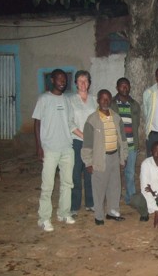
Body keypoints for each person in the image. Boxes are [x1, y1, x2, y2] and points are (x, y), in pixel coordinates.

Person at [32, 69, 75, 232]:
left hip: (66, 148)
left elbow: (70, 123)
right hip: (50, 149)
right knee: (47, 185)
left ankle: (63, 213)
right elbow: (37, 123)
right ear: (52, 80)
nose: (62, 82)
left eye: (64, 79)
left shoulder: (67, 100)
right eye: (59, 79)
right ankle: (43, 218)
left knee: (67, 183)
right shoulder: (44, 99)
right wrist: (39, 147)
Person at [81, 89, 128, 226]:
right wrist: (88, 162)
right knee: (99, 188)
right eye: (103, 98)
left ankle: (112, 213)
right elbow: (87, 144)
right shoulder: (92, 120)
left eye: (108, 99)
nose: (105, 101)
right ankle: (99, 216)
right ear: (98, 101)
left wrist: (123, 157)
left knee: (115, 187)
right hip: (100, 159)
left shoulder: (116, 118)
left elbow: (123, 140)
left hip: (114, 156)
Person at [69, 70, 97, 217]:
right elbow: (70, 122)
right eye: (80, 81)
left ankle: (90, 203)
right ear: (75, 84)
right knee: (75, 174)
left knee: (90, 173)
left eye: (85, 80)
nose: (83, 84)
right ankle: (74, 205)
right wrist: (83, 135)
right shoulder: (71, 101)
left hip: (92, 142)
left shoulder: (94, 100)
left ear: (89, 83)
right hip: (77, 142)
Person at [111, 77, 141, 205]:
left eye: (127, 86)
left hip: (131, 145)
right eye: (122, 86)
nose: (125, 88)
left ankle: (131, 198)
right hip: (116, 146)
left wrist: (136, 144)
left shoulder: (134, 105)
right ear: (117, 88)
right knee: (115, 174)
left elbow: (136, 124)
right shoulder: (111, 104)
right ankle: (114, 199)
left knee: (130, 173)